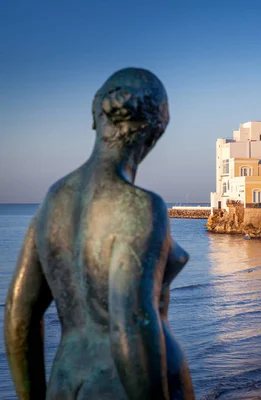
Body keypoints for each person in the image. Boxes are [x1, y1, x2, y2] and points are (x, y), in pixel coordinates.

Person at [4, 68, 194, 399]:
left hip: (66, 381)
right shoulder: (140, 206)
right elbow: (130, 323)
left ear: (96, 116)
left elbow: (19, 313)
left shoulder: (52, 201)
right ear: (155, 130)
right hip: (121, 386)